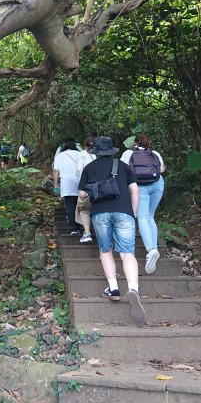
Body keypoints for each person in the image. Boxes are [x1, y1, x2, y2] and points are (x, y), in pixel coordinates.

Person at [78, 135, 145, 324]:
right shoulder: (123, 167)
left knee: (105, 250)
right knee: (127, 253)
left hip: (100, 213)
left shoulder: (89, 168)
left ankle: (114, 288)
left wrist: (86, 196)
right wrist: (132, 212)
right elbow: (135, 190)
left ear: (95, 152)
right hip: (124, 212)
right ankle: (133, 289)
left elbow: (82, 194)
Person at [120, 134, 165, 274]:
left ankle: (151, 249)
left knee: (143, 216)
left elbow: (121, 170)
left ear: (134, 143)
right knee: (150, 216)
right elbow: (162, 169)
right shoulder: (154, 153)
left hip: (140, 186)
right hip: (157, 184)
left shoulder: (128, 153)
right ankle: (154, 248)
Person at [53, 138, 81, 235]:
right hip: (79, 182)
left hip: (66, 182)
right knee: (79, 205)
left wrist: (56, 184)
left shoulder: (60, 156)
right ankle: (79, 226)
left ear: (64, 147)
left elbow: (56, 170)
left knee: (69, 204)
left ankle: (73, 228)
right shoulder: (80, 154)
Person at [75, 136, 96, 243]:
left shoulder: (83, 154)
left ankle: (87, 233)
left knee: (84, 209)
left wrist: (81, 186)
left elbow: (79, 170)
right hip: (101, 188)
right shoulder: (100, 154)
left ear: (85, 146)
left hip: (87, 187)